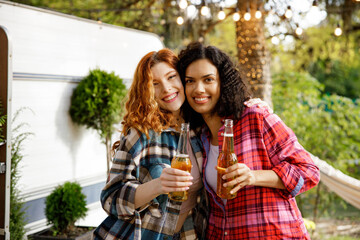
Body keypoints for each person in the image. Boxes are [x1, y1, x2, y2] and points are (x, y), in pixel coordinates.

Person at [93, 48, 267, 240]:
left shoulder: (200, 130)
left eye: (171, 77)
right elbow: (110, 198)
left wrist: (250, 105)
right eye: (155, 84)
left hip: (187, 234)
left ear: (184, 79)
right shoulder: (141, 133)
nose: (166, 88)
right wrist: (158, 185)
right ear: (147, 90)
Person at [177, 42, 320, 239]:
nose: (198, 89)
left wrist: (253, 176)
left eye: (208, 79)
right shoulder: (199, 137)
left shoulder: (256, 118)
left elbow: (309, 171)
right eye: (190, 81)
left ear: (223, 83)